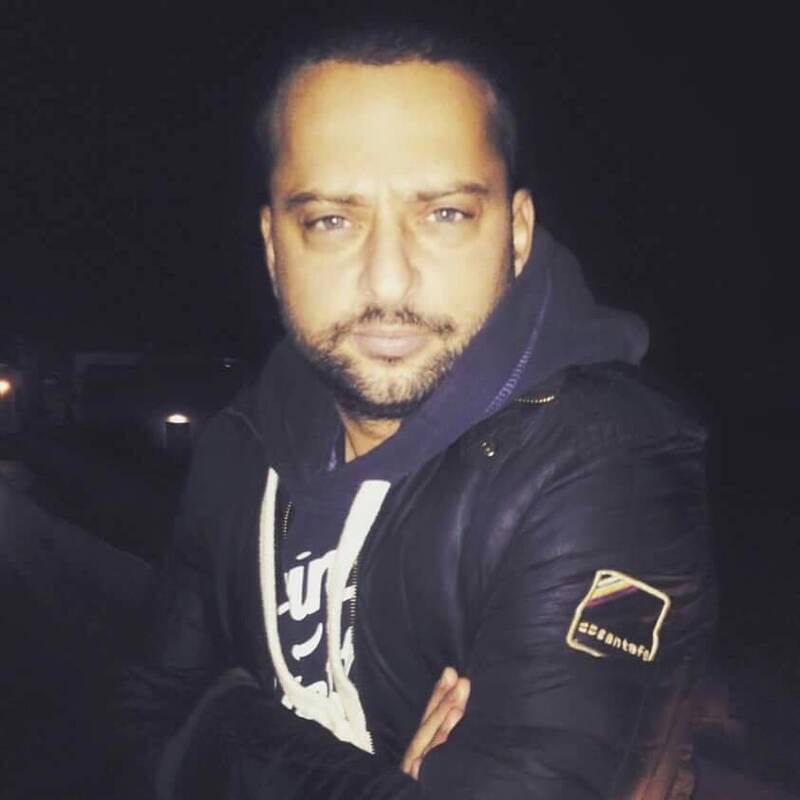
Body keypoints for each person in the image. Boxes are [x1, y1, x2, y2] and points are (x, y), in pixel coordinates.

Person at [117, 25, 716, 800]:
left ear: (517, 234)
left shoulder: (606, 462)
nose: (389, 282)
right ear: (273, 245)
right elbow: (144, 728)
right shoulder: (240, 445)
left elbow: (189, 735)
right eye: (331, 220)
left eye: (446, 215)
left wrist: (228, 721)